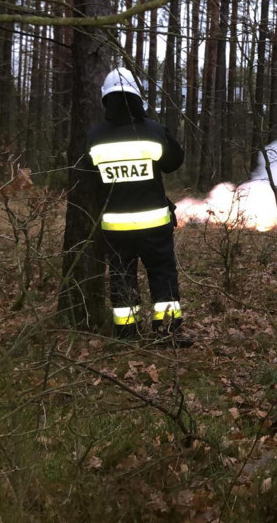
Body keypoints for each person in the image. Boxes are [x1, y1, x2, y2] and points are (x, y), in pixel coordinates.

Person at [84, 67, 190, 347]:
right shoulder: (154, 131)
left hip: (115, 229)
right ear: (137, 98)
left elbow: (86, 179)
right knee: (163, 275)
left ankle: (127, 334)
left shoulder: (94, 136)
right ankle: (167, 331)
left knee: (121, 279)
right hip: (155, 225)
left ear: (105, 100)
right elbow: (174, 161)